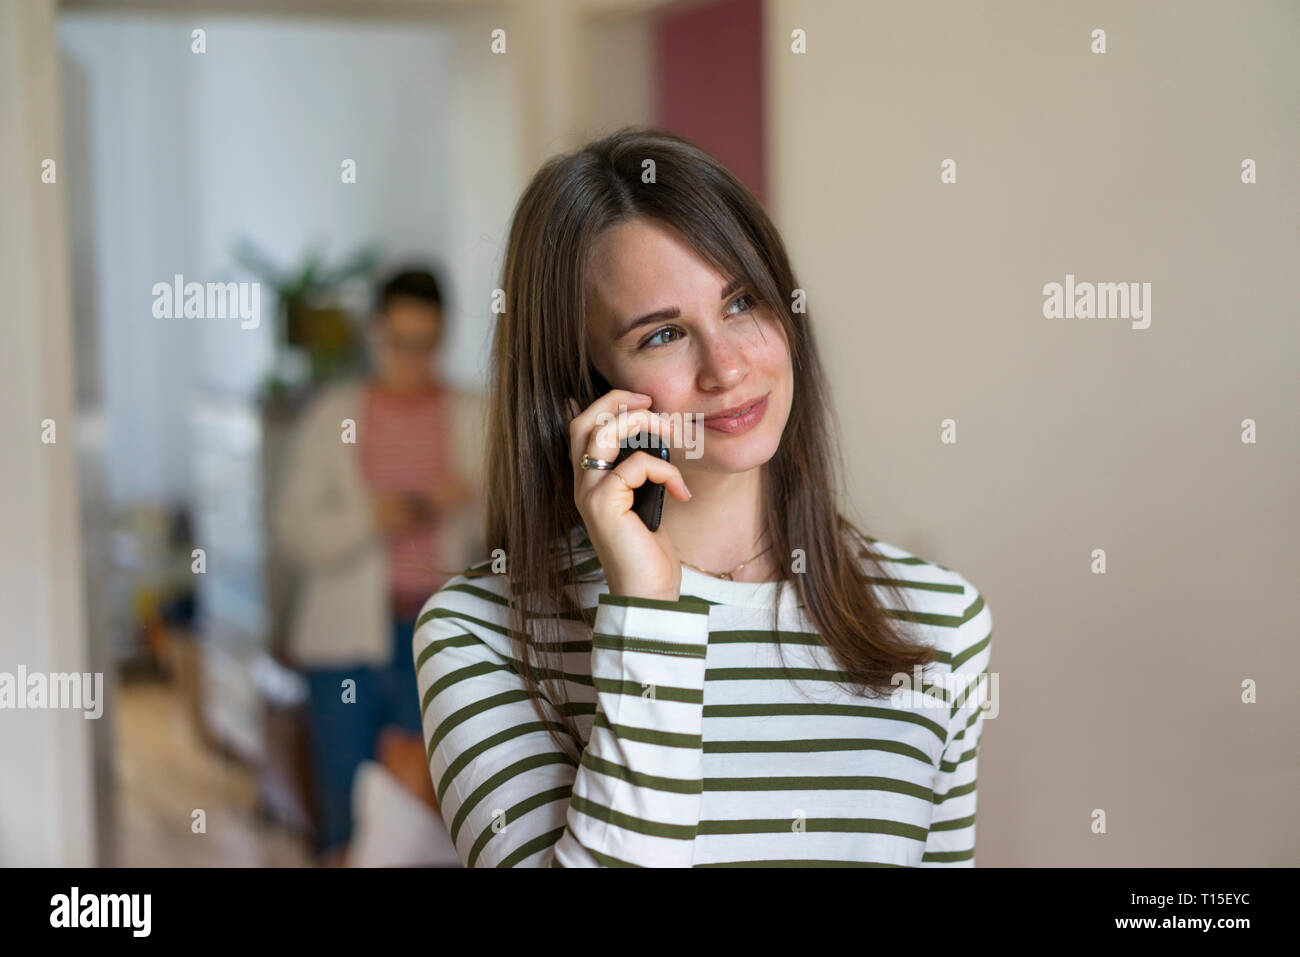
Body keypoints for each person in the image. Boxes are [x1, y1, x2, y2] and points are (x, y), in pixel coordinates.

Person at [412, 127, 994, 867]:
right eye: (662, 335)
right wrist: (648, 608)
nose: (727, 367)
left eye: (743, 301)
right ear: (582, 388)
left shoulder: (941, 622)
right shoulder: (480, 635)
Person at [273, 268, 482, 865]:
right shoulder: (333, 414)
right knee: (345, 813)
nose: (411, 358)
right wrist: (373, 517)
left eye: (426, 344)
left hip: (437, 639)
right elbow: (295, 530)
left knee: (424, 813)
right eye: (399, 342)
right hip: (346, 642)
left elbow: (507, 536)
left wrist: (467, 502)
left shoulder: (474, 415)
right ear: (374, 333)